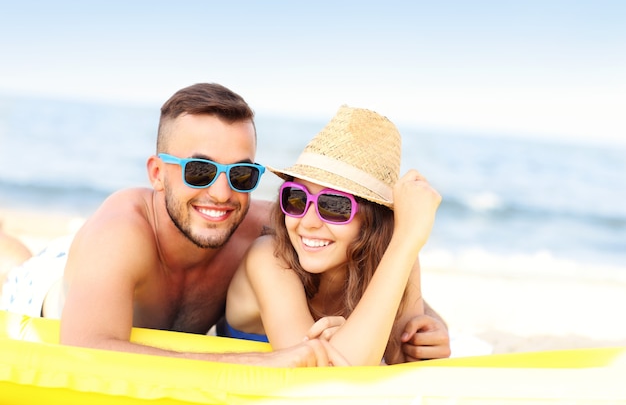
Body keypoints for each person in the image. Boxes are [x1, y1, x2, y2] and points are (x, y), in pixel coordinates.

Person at [1, 83, 450, 365]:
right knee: (17, 266)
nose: (220, 193)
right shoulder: (122, 230)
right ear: (157, 173)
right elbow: (86, 352)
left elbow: (365, 269)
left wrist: (429, 323)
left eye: (240, 174)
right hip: (46, 289)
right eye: (199, 171)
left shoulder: (269, 225)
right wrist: (265, 365)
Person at [221, 106, 442, 365]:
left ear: (374, 223)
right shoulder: (268, 257)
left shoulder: (395, 256)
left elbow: (402, 365)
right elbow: (322, 374)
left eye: (334, 206)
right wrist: (406, 240)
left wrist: (426, 343)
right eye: (296, 198)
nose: (309, 222)